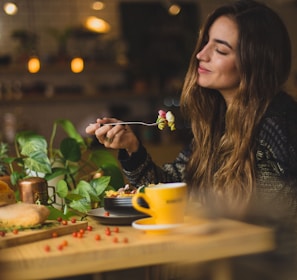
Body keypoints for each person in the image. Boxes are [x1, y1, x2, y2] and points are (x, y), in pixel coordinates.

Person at [86, 0, 297, 223]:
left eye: (220, 50)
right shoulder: (218, 120)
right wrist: (132, 147)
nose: (201, 55)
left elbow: (278, 220)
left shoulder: (277, 125)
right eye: (205, 42)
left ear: (255, 63)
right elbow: (173, 186)